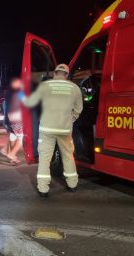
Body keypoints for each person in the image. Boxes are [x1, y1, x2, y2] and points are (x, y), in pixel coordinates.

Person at [21, 64, 83, 197]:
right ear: (66, 75)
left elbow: (30, 103)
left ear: (55, 73)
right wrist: (71, 119)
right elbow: (78, 109)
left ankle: (43, 189)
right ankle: (72, 184)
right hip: (65, 129)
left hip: (46, 129)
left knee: (44, 159)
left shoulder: (45, 86)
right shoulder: (75, 88)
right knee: (68, 156)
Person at [1, 78, 25, 164]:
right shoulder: (20, 93)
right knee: (20, 138)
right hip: (17, 117)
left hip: (10, 118)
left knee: (13, 136)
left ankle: (12, 156)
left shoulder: (9, 94)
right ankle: (12, 154)